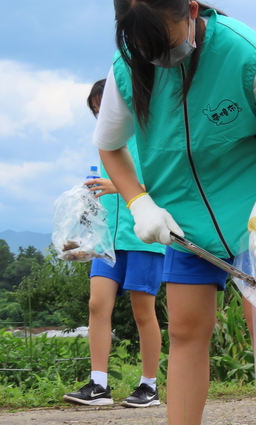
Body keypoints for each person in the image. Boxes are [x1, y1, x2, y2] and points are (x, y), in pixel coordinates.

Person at [94, 0, 256, 425]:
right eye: (149, 50)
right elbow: (110, 146)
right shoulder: (129, 64)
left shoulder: (247, 54)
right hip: (183, 220)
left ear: (191, 11)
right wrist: (139, 203)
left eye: (167, 44)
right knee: (188, 331)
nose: (162, 59)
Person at [63, 79, 166, 408]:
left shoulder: (153, 138)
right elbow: (105, 194)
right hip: (108, 240)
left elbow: (164, 186)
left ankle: (148, 386)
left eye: (104, 106)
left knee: (142, 311)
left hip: (144, 237)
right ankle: (98, 384)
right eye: (95, 111)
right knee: (97, 305)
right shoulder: (105, 143)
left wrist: (117, 185)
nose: (101, 114)